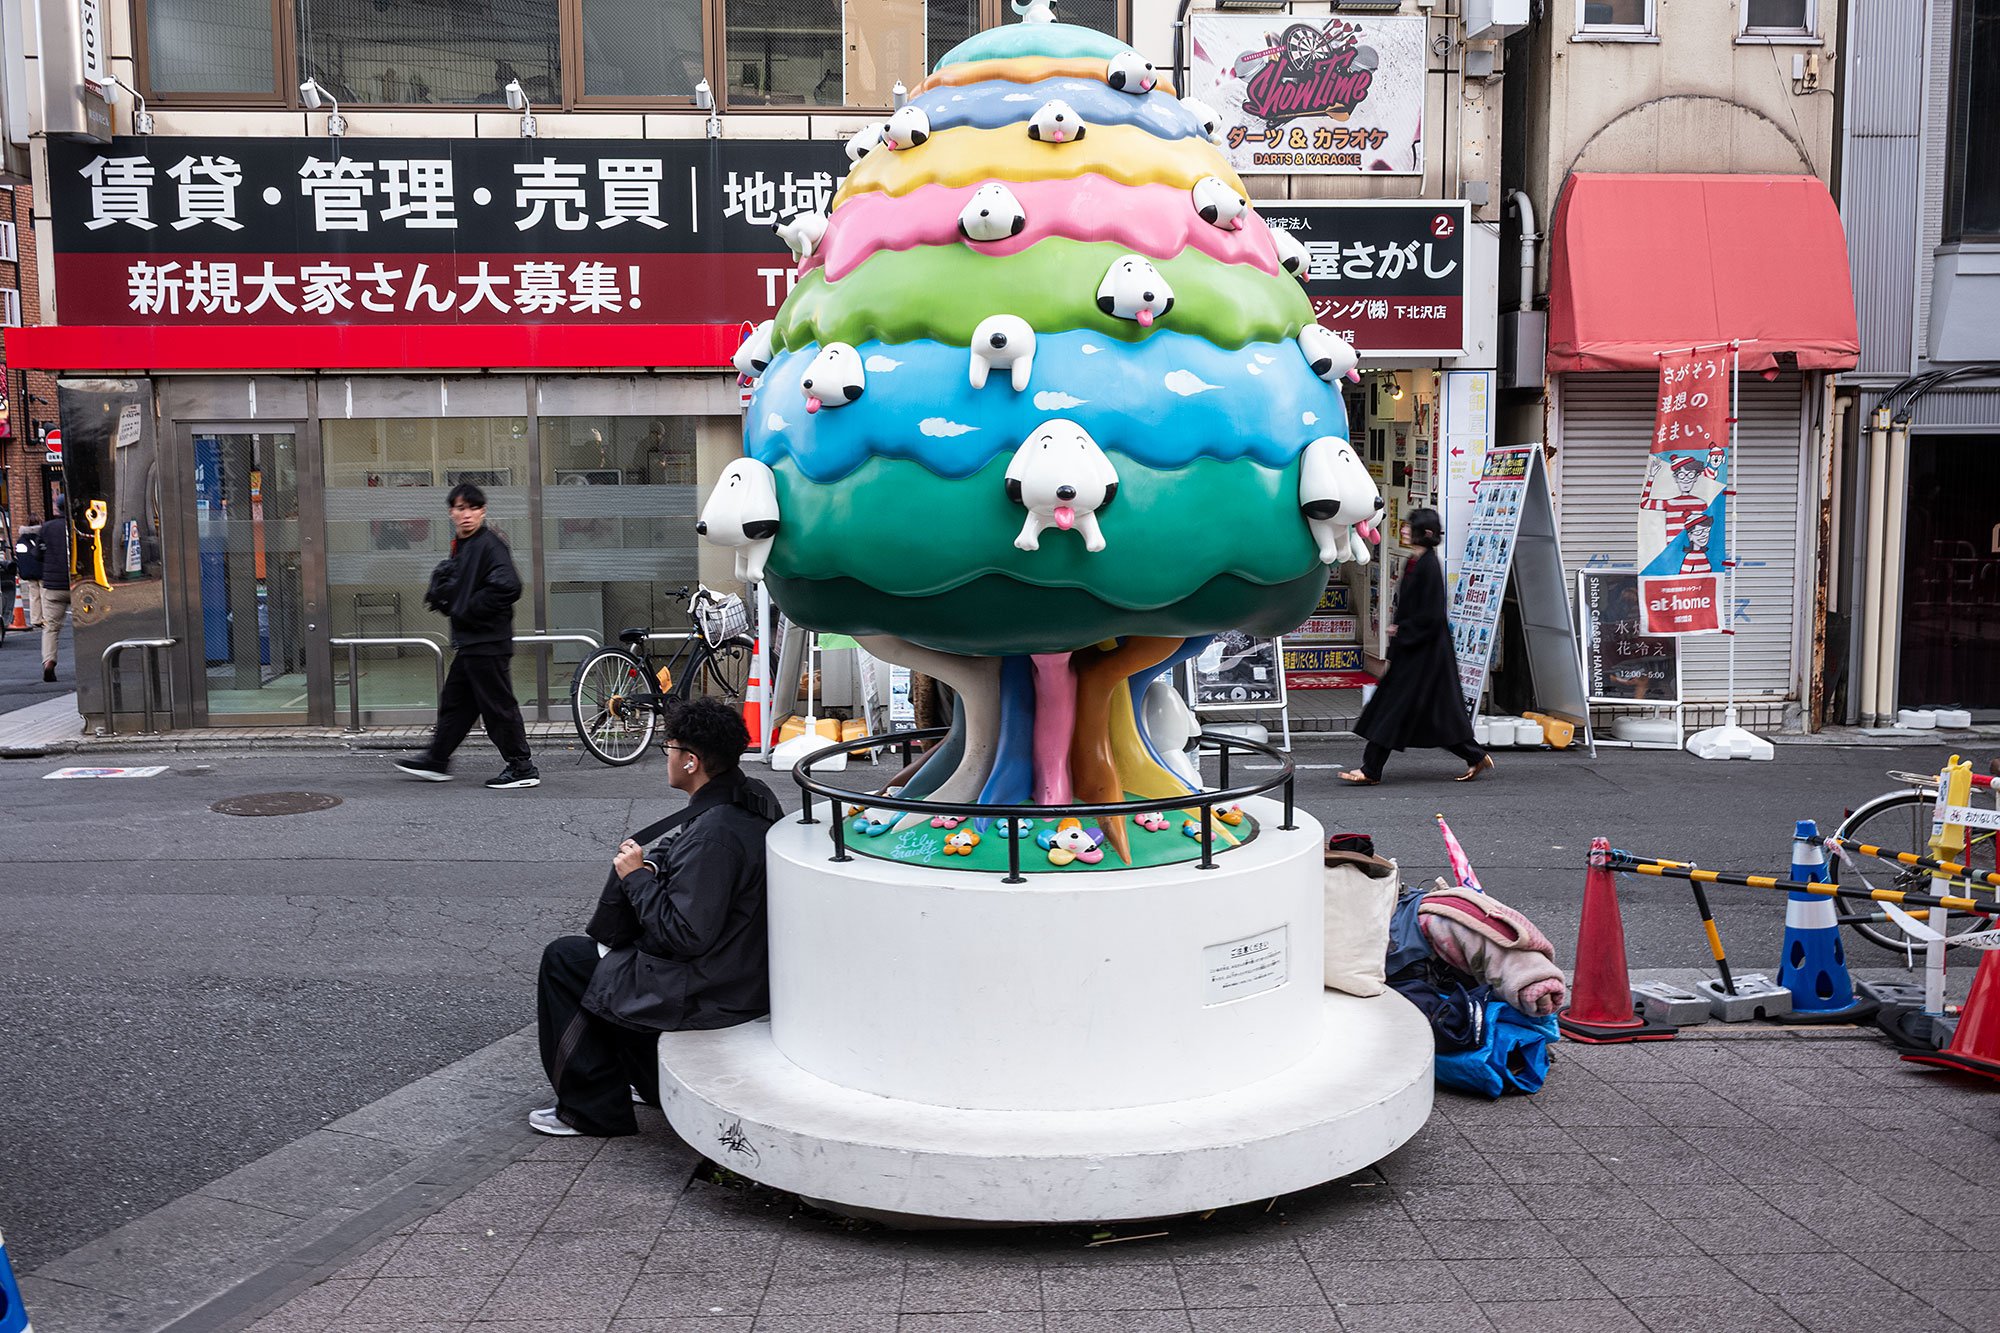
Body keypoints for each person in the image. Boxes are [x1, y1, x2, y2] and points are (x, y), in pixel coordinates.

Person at [532, 698, 783, 1137]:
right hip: (744, 966)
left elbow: (684, 935)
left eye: (669, 747)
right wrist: (651, 867)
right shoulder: (749, 794)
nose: (666, 756)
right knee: (607, 962)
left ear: (690, 761)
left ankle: (592, 1111)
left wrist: (636, 878)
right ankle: (649, 1082)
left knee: (566, 960)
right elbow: (686, 857)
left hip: (713, 986)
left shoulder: (713, 837)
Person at [393, 483, 539, 789]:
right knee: (456, 703)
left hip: (488, 642)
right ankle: (436, 760)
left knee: (497, 706)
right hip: (473, 642)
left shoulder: (489, 544)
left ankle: (522, 767)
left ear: (483, 512)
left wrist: (465, 608)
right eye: (461, 508)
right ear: (451, 513)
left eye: (473, 508)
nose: (467, 514)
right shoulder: (464, 545)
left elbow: (509, 586)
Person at [1340, 507, 1493, 785]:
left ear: (1426, 533)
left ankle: (1371, 770)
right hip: (1416, 650)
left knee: (1392, 707)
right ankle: (1474, 755)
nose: (1405, 530)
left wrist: (1403, 630)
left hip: (1423, 653)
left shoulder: (1429, 566)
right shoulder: (1414, 561)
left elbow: (1432, 616)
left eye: (1411, 527)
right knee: (1428, 712)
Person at [39, 499, 72, 683]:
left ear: (57, 509)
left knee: (51, 627)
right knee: (88, 626)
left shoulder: (47, 527)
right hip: (77, 583)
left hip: (53, 585)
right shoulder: (78, 526)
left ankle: (49, 662)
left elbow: (38, 554)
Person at [11, 514, 42, 637]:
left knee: (33, 595)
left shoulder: (22, 539)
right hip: (43, 570)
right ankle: (46, 617)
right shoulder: (42, 536)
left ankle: (35, 619)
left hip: (29, 571)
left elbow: (20, 556)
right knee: (45, 595)